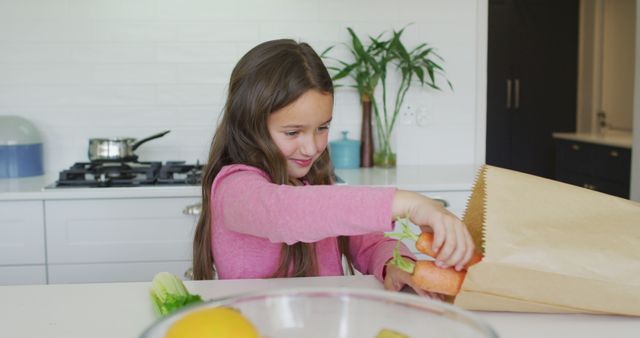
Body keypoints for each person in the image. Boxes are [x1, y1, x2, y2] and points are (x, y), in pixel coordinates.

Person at [192, 39, 475, 298]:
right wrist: (407, 203)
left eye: (322, 127)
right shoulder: (234, 188)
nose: (311, 147)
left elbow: (368, 242)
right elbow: (285, 213)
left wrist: (395, 264)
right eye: (293, 133)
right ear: (250, 126)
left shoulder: (311, 183)